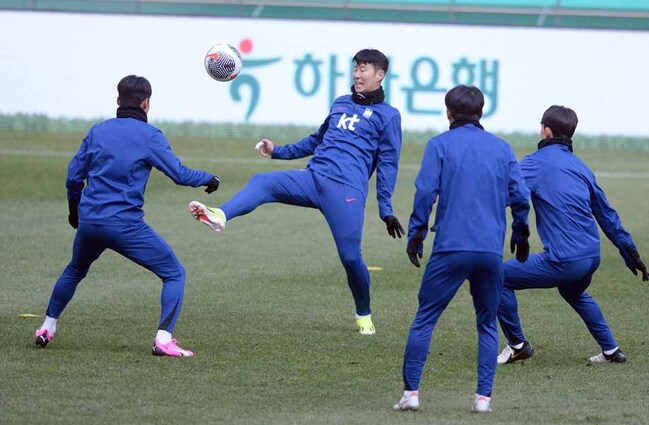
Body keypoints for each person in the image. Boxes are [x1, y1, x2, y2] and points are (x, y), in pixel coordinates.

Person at [188, 48, 403, 335]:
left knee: (351, 258)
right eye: (355, 68)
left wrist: (386, 210)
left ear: (380, 75)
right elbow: (316, 140)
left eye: (363, 69)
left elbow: (388, 164)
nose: (357, 74)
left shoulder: (389, 116)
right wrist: (278, 151)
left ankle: (363, 313)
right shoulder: (340, 103)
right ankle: (220, 215)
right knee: (263, 182)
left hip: (346, 192)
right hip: (312, 179)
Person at [33, 75, 220, 357]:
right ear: (147, 103)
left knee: (75, 270)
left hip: (90, 223)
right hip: (125, 226)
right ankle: (163, 339)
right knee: (174, 274)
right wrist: (209, 179)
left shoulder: (97, 131)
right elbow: (180, 174)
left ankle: (47, 327)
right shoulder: (150, 136)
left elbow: (73, 178)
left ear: (118, 100)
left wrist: (75, 213)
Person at [394, 85, 531, 413]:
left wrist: (416, 235)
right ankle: (483, 399)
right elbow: (520, 196)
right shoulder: (502, 148)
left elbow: (425, 192)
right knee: (486, 323)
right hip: (489, 251)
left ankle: (411, 394)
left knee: (425, 318)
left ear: (448, 112)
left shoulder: (438, 145)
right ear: (481, 112)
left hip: (450, 248)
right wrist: (521, 232)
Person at [496, 105, 649, 366]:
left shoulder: (534, 163)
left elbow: (501, 195)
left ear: (546, 131)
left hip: (564, 261)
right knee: (573, 292)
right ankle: (611, 350)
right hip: (590, 258)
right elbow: (606, 214)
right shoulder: (581, 167)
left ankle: (517, 345)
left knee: (497, 278)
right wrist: (630, 252)